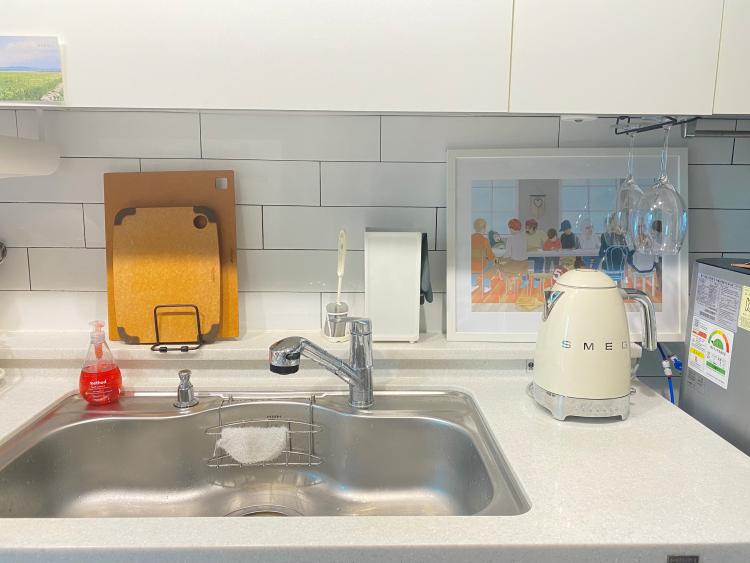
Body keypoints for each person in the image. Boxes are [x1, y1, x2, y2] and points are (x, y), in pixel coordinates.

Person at [471, 218, 495, 293]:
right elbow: (490, 256)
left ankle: (473, 285)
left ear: (475, 228)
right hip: (481, 266)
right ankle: (486, 286)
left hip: (470, 266)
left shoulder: (469, 238)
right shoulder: (485, 240)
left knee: (474, 262)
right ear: (484, 228)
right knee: (491, 263)